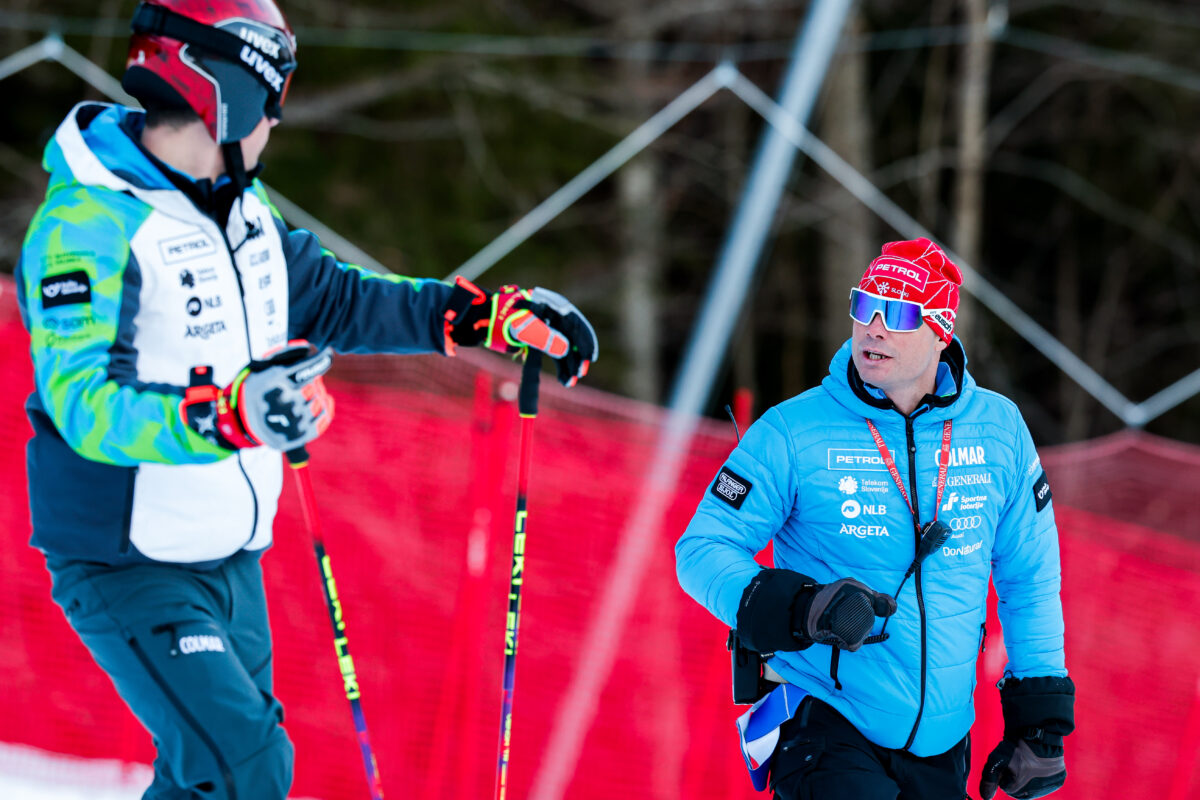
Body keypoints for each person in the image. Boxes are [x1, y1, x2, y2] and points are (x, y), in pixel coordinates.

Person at [15, 1, 598, 797]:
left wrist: (485, 317)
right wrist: (229, 414)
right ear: (226, 91)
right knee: (247, 767)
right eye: (271, 97)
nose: (276, 122)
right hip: (126, 558)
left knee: (208, 779)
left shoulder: (242, 214)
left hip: (227, 551)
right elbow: (83, 402)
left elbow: (337, 300)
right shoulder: (86, 222)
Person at [676, 238, 1073, 800]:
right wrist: (802, 606)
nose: (875, 327)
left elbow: (1029, 580)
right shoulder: (794, 429)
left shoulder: (1000, 431)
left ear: (941, 329)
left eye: (901, 312)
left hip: (942, 742)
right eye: (864, 306)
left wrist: (1040, 723)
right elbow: (701, 549)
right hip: (825, 724)